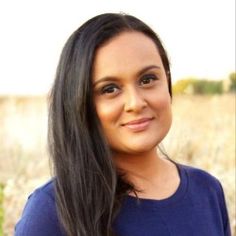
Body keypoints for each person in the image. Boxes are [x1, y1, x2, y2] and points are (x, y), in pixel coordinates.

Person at [15, 13, 231, 236]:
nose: (135, 103)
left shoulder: (207, 191)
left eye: (147, 79)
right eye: (109, 89)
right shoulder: (51, 211)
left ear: (167, 81)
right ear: (79, 103)